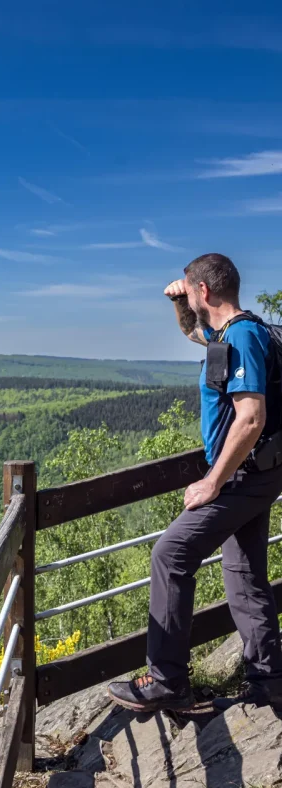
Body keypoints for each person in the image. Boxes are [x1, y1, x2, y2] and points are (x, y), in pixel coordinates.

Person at [108, 253, 282, 713]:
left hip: (242, 477)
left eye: (190, 289)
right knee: (243, 573)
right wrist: (178, 303)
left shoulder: (242, 336)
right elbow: (194, 333)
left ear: (204, 290)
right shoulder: (235, 331)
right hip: (258, 472)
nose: (187, 296)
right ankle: (269, 680)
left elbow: (250, 418)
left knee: (170, 555)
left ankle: (167, 681)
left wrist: (212, 482)